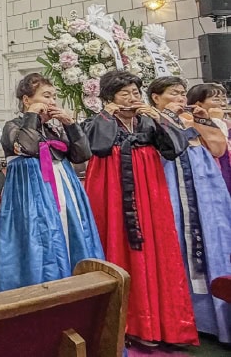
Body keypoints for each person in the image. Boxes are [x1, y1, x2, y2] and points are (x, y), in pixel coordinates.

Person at [82, 70, 195, 347]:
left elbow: (174, 149)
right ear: (110, 97)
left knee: (157, 246)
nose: (132, 98)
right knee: (118, 244)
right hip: (114, 190)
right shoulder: (99, 121)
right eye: (125, 93)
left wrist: (160, 119)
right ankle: (127, 324)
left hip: (149, 191)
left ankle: (163, 323)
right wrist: (106, 115)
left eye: (135, 92)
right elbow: (97, 146)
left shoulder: (148, 120)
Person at [0, 73, 103, 293]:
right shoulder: (12, 126)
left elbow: (82, 155)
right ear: (27, 100)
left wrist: (70, 124)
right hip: (32, 190)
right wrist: (31, 116)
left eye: (54, 96)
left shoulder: (54, 129)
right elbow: (27, 147)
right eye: (46, 96)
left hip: (64, 187)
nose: (52, 101)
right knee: (38, 241)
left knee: (69, 232)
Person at [149, 77, 231, 344]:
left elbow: (218, 149)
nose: (180, 99)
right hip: (174, 187)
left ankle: (220, 317)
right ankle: (186, 318)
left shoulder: (193, 119)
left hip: (208, 193)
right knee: (180, 246)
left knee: (215, 243)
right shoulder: (153, 121)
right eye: (174, 94)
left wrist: (202, 120)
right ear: (155, 98)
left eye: (183, 94)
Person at [188, 83, 231, 196]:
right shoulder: (191, 124)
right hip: (212, 174)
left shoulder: (228, 123)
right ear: (198, 104)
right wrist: (215, 121)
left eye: (224, 99)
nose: (222, 103)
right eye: (216, 99)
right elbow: (217, 150)